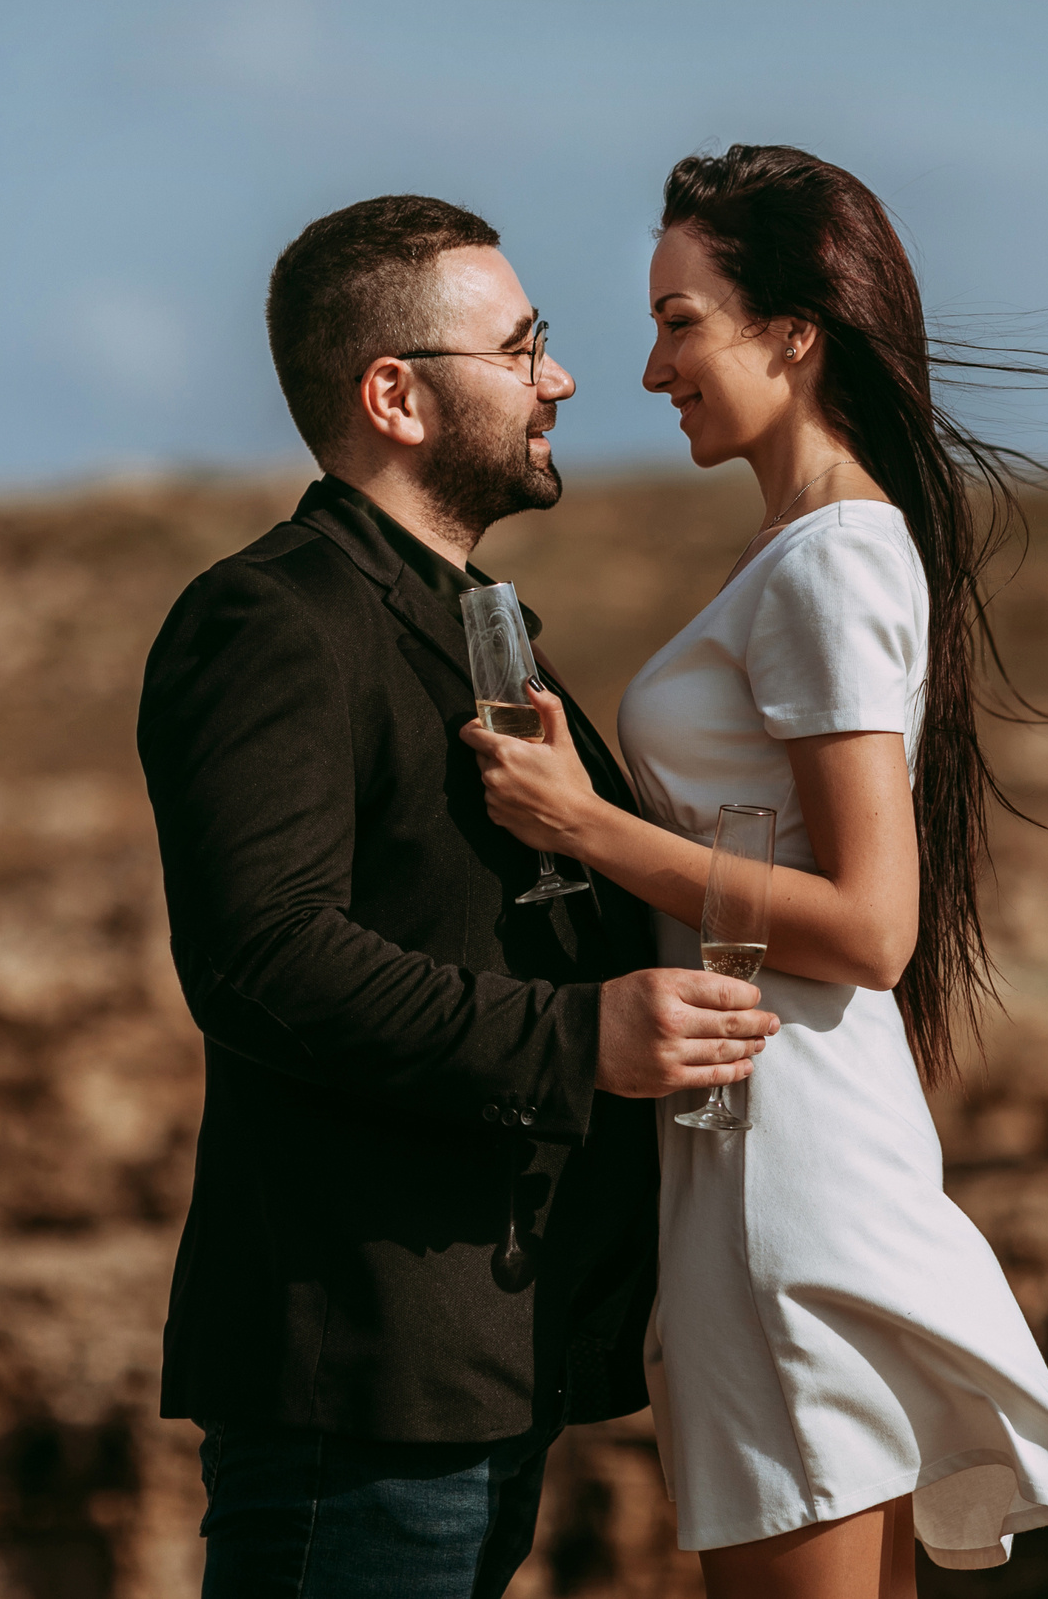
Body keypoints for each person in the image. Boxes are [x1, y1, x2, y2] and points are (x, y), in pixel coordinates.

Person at [464, 146, 1048, 1595]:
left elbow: (873, 926)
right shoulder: (810, 551)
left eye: (682, 320)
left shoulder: (830, 561)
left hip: (779, 1156)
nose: (649, 366)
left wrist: (581, 822)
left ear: (793, 333)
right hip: (761, 1122)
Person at [137, 194, 779, 1599]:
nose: (559, 377)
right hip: (359, 1386)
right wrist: (578, 1040)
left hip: (474, 1367)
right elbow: (263, 957)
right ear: (398, 396)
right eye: (522, 346)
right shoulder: (271, 618)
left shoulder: (470, 617)